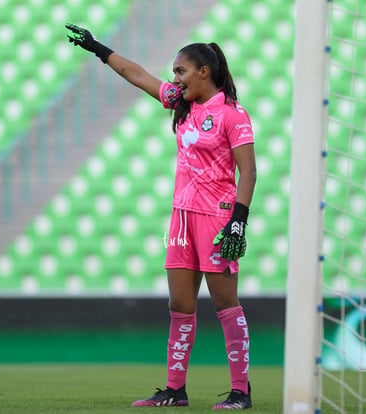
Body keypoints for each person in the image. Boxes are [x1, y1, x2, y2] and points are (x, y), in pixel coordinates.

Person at [66, 23, 257, 410]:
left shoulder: (232, 115)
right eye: (174, 73)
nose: (175, 79)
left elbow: (249, 171)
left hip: (217, 219)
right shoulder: (180, 102)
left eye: (181, 71)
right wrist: (99, 49)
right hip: (182, 218)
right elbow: (136, 74)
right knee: (179, 305)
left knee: (226, 304)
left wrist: (239, 219)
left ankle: (241, 391)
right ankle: (175, 390)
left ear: (204, 71)